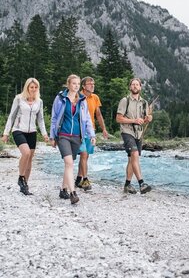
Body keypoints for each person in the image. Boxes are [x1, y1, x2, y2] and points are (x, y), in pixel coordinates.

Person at [50, 74, 96, 204]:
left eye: (77, 84)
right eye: (73, 83)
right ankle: (73, 193)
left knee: (69, 165)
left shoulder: (82, 100)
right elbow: (54, 118)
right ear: (68, 84)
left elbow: (86, 120)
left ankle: (63, 189)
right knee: (69, 163)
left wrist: (92, 135)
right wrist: (52, 136)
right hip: (63, 135)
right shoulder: (60, 98)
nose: (76, 86)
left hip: (77, 137)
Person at [1, 78, 49, 195]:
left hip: (32, 132)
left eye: (35, 87)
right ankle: (21, 178)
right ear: (27, 87)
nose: (33, 89)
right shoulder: (19, 99)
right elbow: (11, 116)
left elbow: (41, 119)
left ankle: (25, 185)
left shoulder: (39, 101)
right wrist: (6, 133)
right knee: (26, 153)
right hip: (18, 130)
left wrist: (44, 134)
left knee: (30, 159)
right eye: (31, 87)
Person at [116, 78, 152, 194]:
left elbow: (144, 120)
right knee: (135, 154)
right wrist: (134, 120)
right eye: (133, 84)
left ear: (140, 87)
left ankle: (127, 185)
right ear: (130, 87)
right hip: (127, 131)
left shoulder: (144, 102)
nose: (135, 86)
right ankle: (142, 184)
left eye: (137, 84)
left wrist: (148, 119)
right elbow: (118, 118)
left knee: (132, 159)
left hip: (139, 134)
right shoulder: (124, 100)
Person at [75, 76, 109, 191]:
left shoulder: (95, 98)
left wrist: (103, 128)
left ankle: (78, 179)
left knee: (86, 156)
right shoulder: (77, 97)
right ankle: (85, 180)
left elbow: (98, 114)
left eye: (93, 83)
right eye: (90, 84)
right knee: (83, 155)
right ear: (83, 86)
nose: (92, 85)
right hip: (79, 130)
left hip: (91, 131)